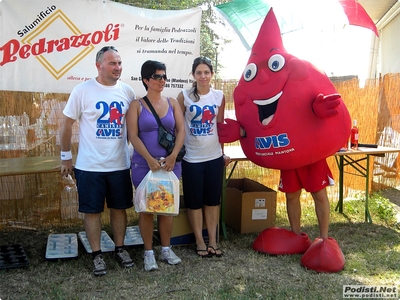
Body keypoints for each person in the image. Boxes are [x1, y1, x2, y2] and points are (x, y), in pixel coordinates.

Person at [60, 46, 136, 276]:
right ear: (99, 66)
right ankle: (96, 255)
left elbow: (133, 129)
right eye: (112, 63)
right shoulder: (82, 91)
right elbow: (66, 125)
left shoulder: (128, 92)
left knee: (119, 209)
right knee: (92, 211)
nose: (117, 67)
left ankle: (120, 248)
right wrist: (65, 157)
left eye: (119, 63)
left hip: (119, 165)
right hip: (89, 166)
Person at [126, 60, 185, 271]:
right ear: (145, 80)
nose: (162, 80)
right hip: (145, 165)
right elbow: (133, 135)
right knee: (147, 209)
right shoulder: (136, 105)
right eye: (157, 77)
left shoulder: (172, 102)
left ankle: (166, 249)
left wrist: (173, 156)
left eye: (164, 76)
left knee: (167, 208)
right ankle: (149, 252)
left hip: (169, 165)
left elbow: (181, 131)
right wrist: (150, 159)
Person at [177, 57, 231, 258]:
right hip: (192, 158)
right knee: (194, 202)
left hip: (214, 157)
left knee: (212, 201)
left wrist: (223, 152)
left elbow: (221, 127)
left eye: (206, 72)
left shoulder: (219, 96)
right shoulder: (184, 96)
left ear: (212, 75)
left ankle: (213, 240)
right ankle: (199, 241)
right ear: (193, 75)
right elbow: (179, 127)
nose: (203, 76)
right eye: (199, 72)